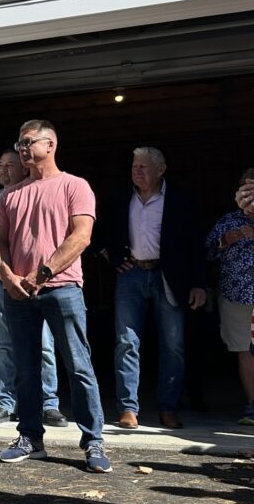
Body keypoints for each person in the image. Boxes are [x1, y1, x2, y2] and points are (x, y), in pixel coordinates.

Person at [0, 119, 111, 473]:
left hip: (62, 289)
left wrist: (42, 273)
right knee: (26, 370)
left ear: (51, 144)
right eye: (19, 144)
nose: (22, 149)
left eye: (28, 142)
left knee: (79, 366)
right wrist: (8, 276)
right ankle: (30, 437)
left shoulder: (75, 186)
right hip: (19, 293)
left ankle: (93, 442)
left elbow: (81, 236)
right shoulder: (10, 194)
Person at [103, 147, 206, 430]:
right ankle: (127, 409)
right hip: (131, 275)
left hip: (168, 276)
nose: (136, 171)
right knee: (126, 342)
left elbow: (196, 243)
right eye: (134, 166)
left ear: (161, 169)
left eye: (143, 167)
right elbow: (101, 233)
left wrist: (198, 283)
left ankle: (168, 408)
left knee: (173, 345)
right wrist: (112, 257)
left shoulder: (181, 200)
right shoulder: (119, 197)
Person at [0, 150, 65, 427]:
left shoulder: (36, 196)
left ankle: (49, 404)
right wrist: (0, 273)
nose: (4, 170)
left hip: (33, 282)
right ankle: (5, 401)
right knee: (3, 345)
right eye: (0, 165)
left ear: (23, 168)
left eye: (10, 165)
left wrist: (33, 275)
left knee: (44, 344)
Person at [205, 168, 254, 426]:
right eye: (246, 189)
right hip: (236, 297)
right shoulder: (229, 220)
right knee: (244, 350)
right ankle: (253, 405)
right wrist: (225, 241)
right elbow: (207, 252)